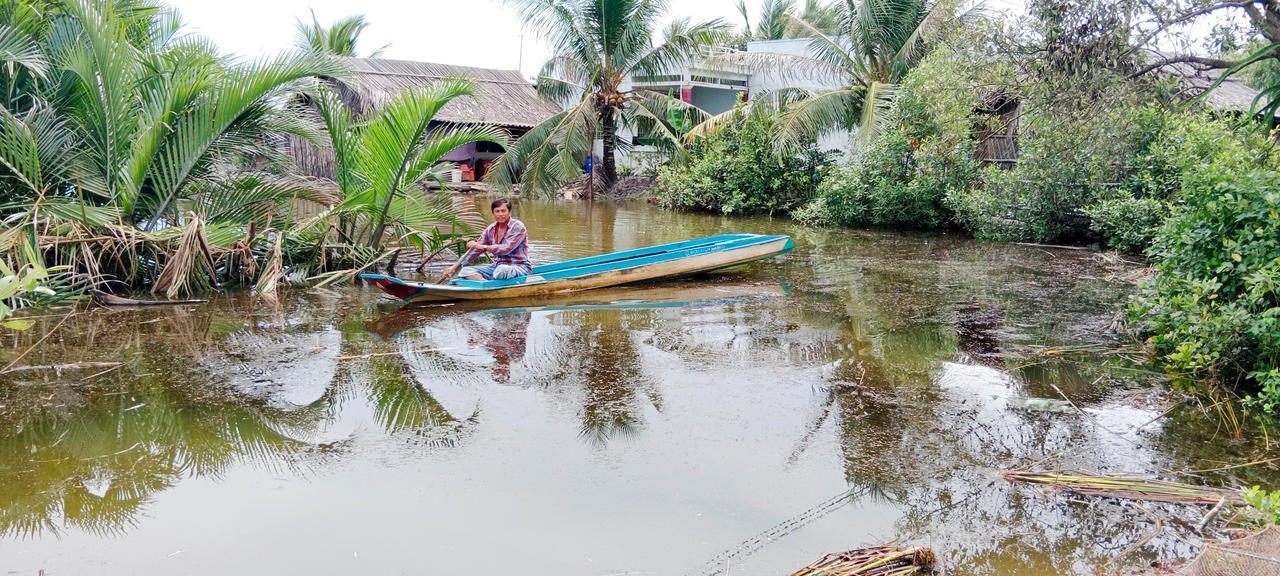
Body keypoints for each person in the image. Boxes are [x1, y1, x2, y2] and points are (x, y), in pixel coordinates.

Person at [445, 198, 531, 281]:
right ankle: (486, 284)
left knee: (502, 270)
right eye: (497, 211)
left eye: (503, 211)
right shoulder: (490, 229)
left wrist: (483, 247)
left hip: (519, 267)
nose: (500, 214)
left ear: (509, 212)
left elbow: (506, 249)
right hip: (497, 266)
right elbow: (475, 250)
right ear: (493, 214)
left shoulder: (518, 227)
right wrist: (455, 267)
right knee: (465, 271)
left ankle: (490, 284)